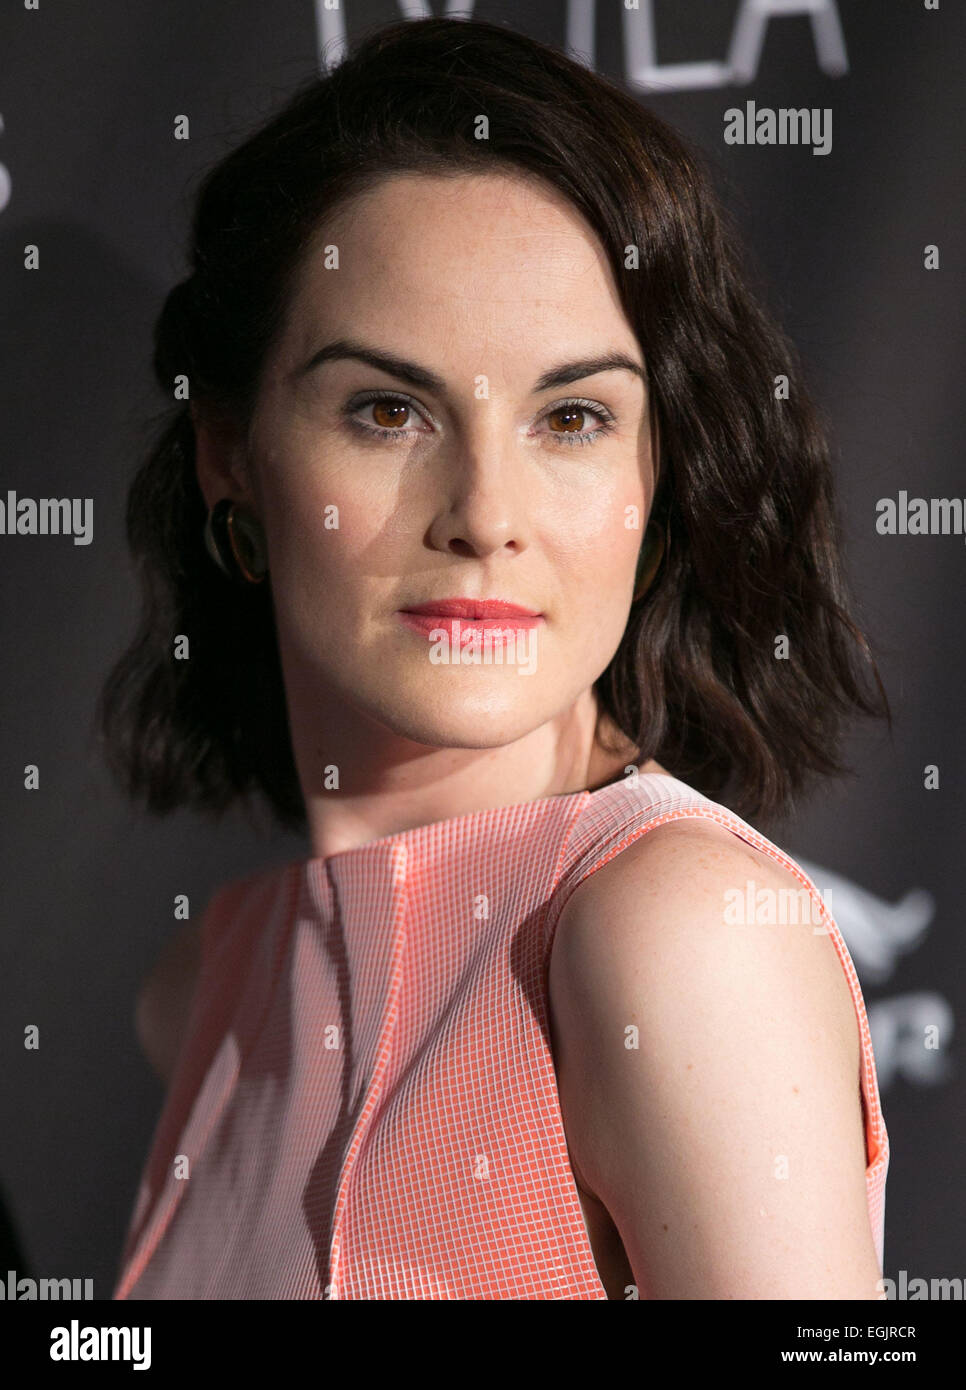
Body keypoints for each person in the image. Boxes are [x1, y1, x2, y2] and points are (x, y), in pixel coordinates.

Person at [98, 16, 890, 1300]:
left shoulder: (674, 936)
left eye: (571, 416)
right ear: (230, 455)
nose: (484, 511)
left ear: (659, 471)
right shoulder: (202, 990)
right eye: (388, 409)